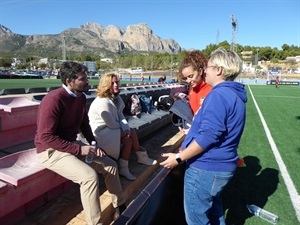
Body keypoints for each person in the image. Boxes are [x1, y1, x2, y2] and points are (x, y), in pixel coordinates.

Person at [160, 48, 247, 225]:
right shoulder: (234, 94)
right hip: (221, 167)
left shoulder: (218, 95)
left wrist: (178, 158)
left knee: (197, 220)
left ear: (219, 70)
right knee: (215, 213)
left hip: (206, 168)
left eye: (208, 67)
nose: (205, 70)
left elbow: (209, 136)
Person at [34, 61, 126, 225]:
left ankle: (120, 206)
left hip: (70, 145)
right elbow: (46, 137)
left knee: (110, 165)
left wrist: (93, 143)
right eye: (83, 79)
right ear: (69, 81)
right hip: (50, 151)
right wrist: (79, 149)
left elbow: (84, 124)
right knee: (89, 177)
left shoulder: (80, 97)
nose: (87, 81)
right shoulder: (53, 100)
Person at [88, 73, 157, 181]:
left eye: (116, 82)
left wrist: (126, 129)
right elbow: (111, 123)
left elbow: (121, 116)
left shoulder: (116, 98)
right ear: (106, 85)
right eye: (112, 83)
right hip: (101, 133)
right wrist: (125, 132)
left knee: (129, 138)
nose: (116, 85)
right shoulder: (102, 102)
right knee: (129, 135)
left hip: (111, 129)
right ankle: (140, 158)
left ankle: (125, 168)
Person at [177, 50, 212, 134]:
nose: (188, 81)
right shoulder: (192, 90)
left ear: (200, 71)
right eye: (186, 78)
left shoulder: (211, 90)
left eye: (190, 76)